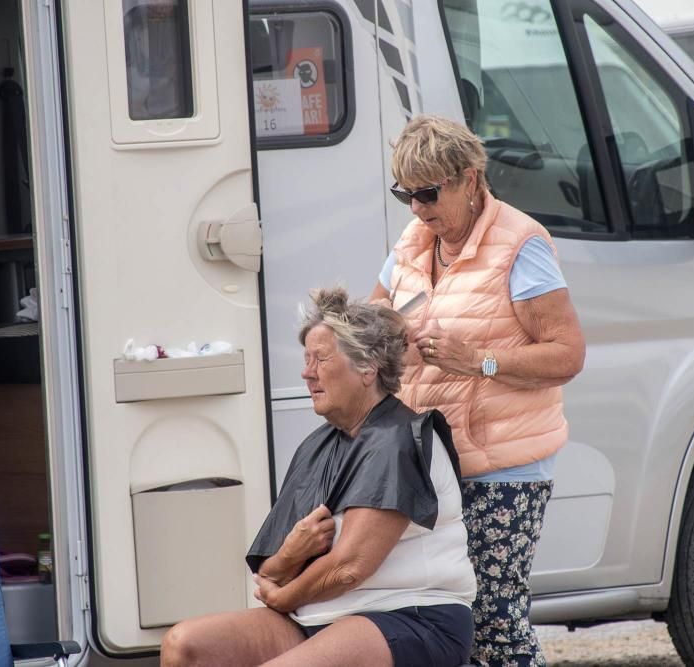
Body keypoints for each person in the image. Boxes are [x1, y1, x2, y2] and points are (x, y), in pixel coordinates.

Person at [161, 287, 476, 667]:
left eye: (321, 359)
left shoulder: (397, 440)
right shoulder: (318, 444)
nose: (306, 372)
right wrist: (292, 553)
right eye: (306, 358)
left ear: (367, 367)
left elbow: (348, 568)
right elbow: (268, 572)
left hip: (410, 616)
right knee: (183, 646)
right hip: (316, 618)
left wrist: (286, 597)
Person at [370, 115, 586, 667]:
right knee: (442, 617)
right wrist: (385, 340)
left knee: (493, 617)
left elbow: (567, 354)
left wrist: (478, 361)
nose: (417, 208)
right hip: (430, 460)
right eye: (405, 194)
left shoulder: (521, 244)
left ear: (470, 179)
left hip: (504, 467)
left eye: (427, 193)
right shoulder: (413, 242)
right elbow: (372, 322)